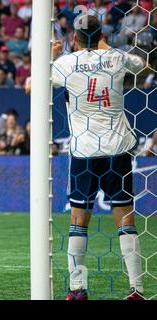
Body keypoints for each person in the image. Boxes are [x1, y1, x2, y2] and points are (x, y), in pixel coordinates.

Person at [28, 15, 146, 300]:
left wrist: (50, 58)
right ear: (101, 35)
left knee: (78, 222)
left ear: (75, 39)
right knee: (125, 222)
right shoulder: (115, 57)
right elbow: (143, 66)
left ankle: (78, 289)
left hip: (84, 152)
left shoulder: (65, 65)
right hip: (117, 149)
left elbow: (31, 86)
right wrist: (105, 48)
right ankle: (137, 290)